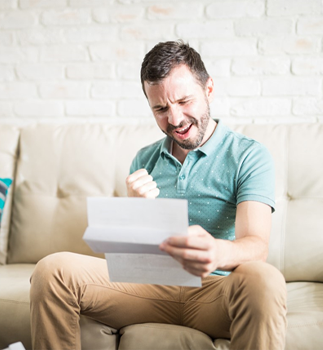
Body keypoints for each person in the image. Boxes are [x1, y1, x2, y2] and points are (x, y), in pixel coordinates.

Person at [29, 40, 287, 350]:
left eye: (184, 101)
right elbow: (134, 259)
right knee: (51, 270)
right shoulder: (144, 160)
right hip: (151, 290)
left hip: (216, 292)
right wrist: (135, 213)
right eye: (161, 109)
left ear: (209, 89)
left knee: (265, 279)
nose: (175, 119)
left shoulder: (249, 155)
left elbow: (256, 247)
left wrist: (216, 252)